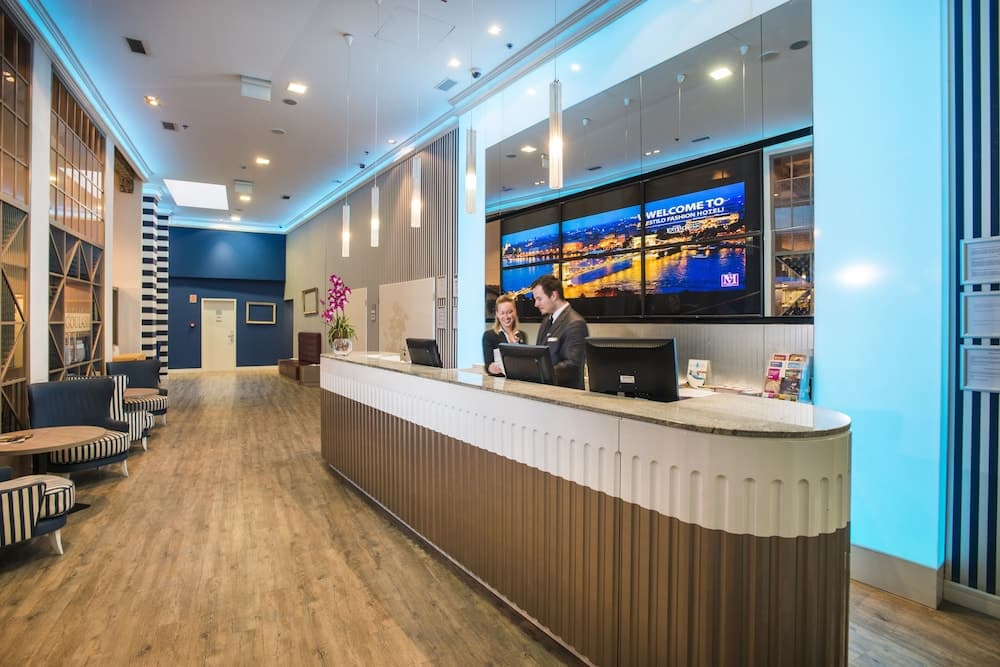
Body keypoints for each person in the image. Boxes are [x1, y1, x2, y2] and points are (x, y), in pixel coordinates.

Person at [530, 274, 589, 389]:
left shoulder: (575, 324)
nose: (536, 304)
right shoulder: (546, 321)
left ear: (554, 295)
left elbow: (572, 366)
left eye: (539, 299)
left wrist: (539, 373)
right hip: (546, 391)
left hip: (564, 394)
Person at [482, 294, 527, 376]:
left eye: (510, 312)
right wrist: (490, 368)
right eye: (502, 313)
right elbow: (487, 366)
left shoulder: (521, 335)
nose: (506, 316)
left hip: (519, 380)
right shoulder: (489, 336)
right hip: (499, 381)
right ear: (497, 314)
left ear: (515, 311)